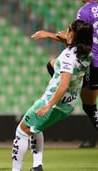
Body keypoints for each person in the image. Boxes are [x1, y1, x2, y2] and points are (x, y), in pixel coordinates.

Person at [12, 19, 93, 171]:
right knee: (36, 128)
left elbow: (63, 85)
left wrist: (47, 106)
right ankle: (37, 166)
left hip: (53, 102)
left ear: (74, 35)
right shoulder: (88, 53)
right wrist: (49, 35)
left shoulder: (68, 56)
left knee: (22, 131)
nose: (65, 32)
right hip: (69, 105)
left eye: (69, 30)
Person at [31, 0, 98, 147]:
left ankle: (67, 93)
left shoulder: (84, 12)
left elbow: (79, 41)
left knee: (53, 65)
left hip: (93, 62)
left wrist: (51, 35)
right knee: (89, 105)